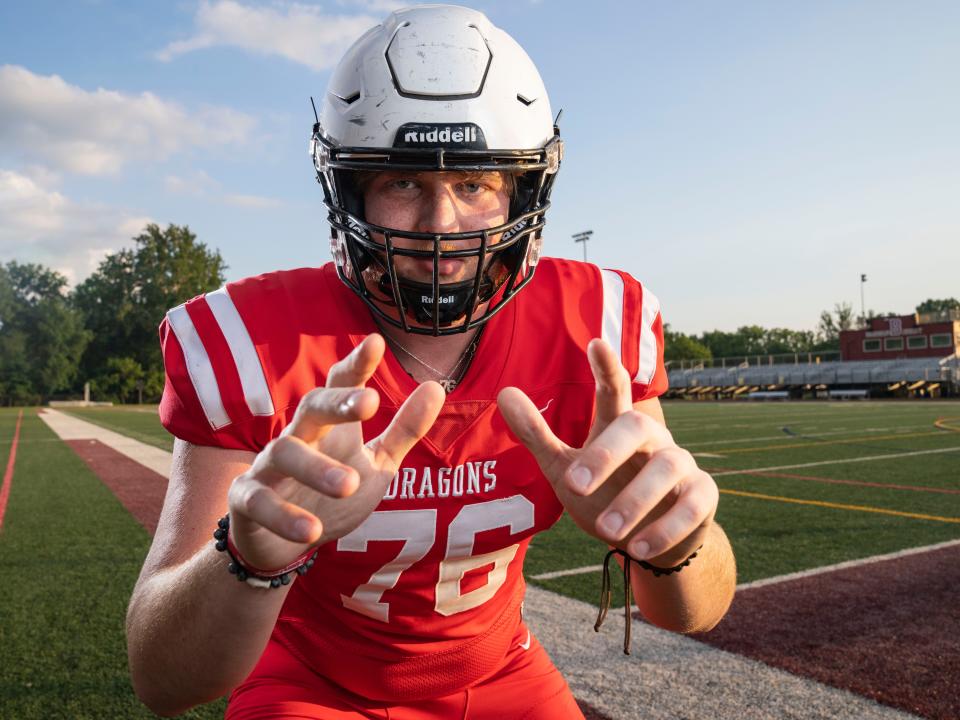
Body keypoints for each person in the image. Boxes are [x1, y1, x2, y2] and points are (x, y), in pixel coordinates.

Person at [126, 5, 736, 719]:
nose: (440, 226)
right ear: (351, 190)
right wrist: (249, 558)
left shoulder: (595, 330)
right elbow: (164, 681)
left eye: (474, 184)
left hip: (501, 671)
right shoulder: (249, 341)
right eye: (404, 183)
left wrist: (672, 537)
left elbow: (691, 612)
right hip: (309, 683)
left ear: (523, 192)